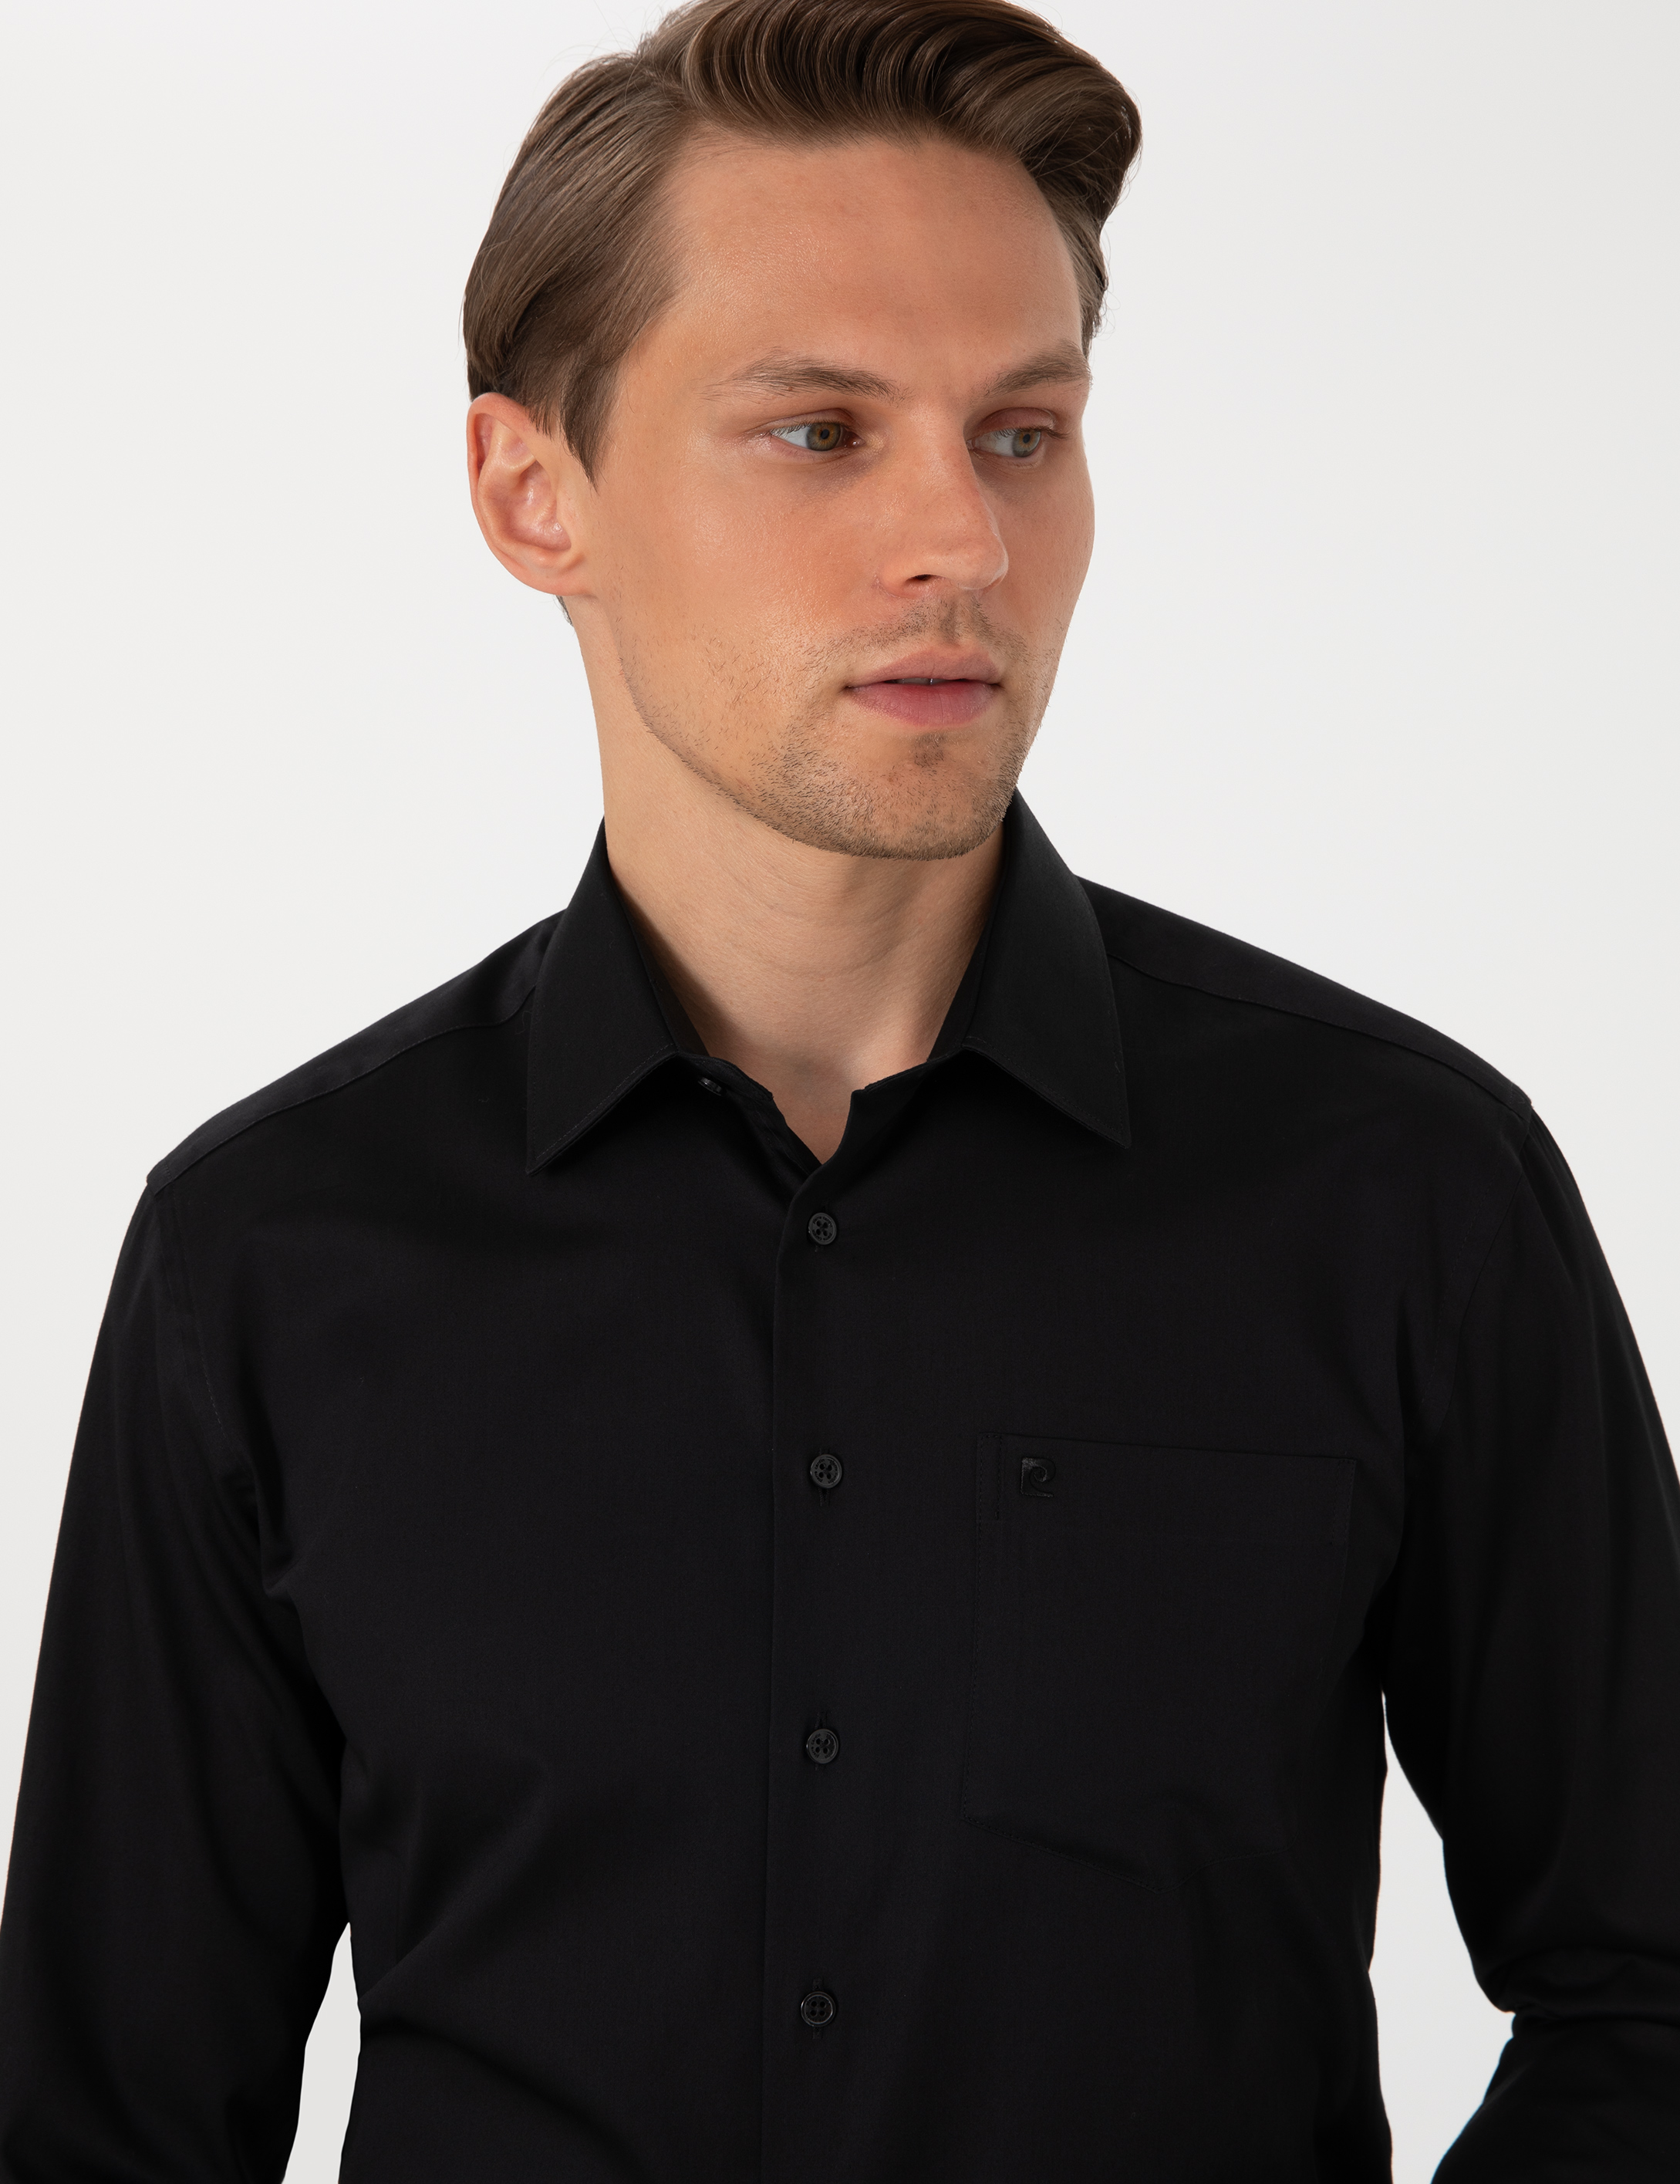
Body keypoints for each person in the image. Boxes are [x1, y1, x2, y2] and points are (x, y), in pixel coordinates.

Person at [2, 0, 1676, 2175]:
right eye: (818, 430)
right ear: (534, 492)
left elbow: (1650, 1988)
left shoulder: (1398, 1189)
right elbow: (108, 2127)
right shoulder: (269, 1255)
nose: (962, 542)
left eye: (1021, 433)